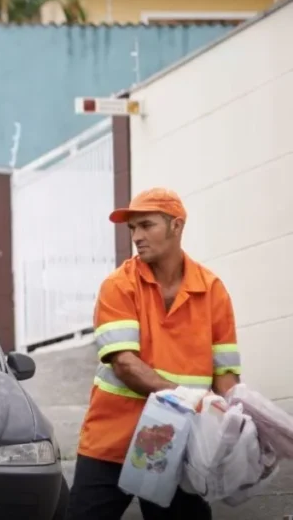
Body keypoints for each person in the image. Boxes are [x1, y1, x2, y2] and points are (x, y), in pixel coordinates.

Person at [67, 188, 242, 520]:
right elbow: (125, 365)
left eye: (146, 225)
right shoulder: (119, 286)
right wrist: (189, 399)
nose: (137, 236)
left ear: (176, 226)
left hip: (178, 444)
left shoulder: (212, 290)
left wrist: (237, 422)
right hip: (112, 441)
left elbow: (226, 376)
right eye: (132, 228)